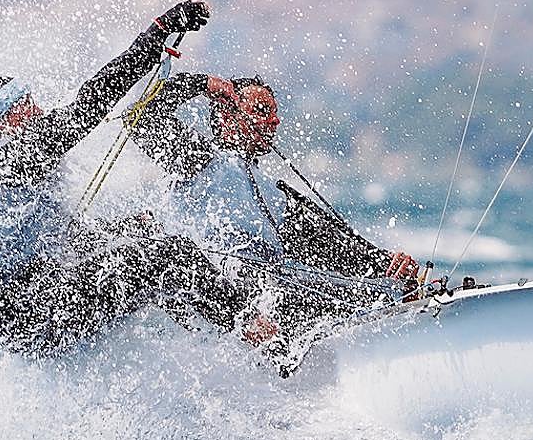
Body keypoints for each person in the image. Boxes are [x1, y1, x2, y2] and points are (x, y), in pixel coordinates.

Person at [0, 0, 268, 357]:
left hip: (25, 318)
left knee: (146, 234)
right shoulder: (9, 160)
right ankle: (264, 337)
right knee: (173, 255)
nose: (39, 110)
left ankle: (210, 339)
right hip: (36, 311)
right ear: (3, 122)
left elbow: (53, 244)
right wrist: (157, 33)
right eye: (26, 104)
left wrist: (121, 231)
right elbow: (91, 102)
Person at [127, 71, 420, 339]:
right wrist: (201, 84)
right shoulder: (197, 160)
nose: (275, 121)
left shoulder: (272, 191)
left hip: (269, 296)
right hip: (214, 298)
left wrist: (385, 264)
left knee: (349, 290)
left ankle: (402, 302)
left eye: (275, 114)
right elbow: (140, 118)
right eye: (262, 111)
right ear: (226, 117)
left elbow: (329, 245)